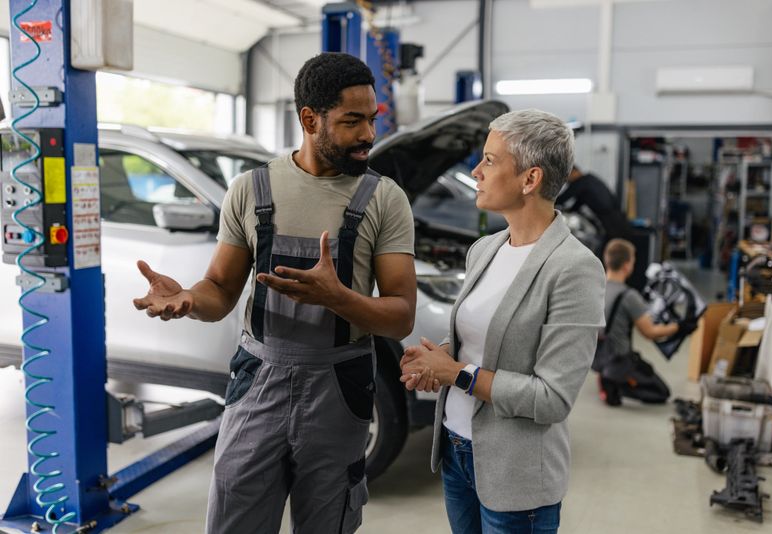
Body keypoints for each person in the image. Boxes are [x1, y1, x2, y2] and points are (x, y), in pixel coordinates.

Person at [132, 52, 417, 534]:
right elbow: (220, 290)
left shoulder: (384, 198)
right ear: (310, 119)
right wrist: (188, 300)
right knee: (234, 515)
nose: (369, 135)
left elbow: (401, 316)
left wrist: (337, 297)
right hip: (257, 380)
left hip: (340, 387)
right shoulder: (251, 190)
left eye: (371, 120)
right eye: (352, 122)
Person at [399, 109, 605, 533]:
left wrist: (457, 373)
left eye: (489, 161)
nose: (475, 171)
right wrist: (436, 361)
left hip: (516, 474)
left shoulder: (574, 268)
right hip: (458, 451)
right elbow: (480, 342)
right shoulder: (484, 249)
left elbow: (553, 398)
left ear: (530, 179)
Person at [597, 239, 695, 406]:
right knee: (661, 392)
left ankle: (607, 374)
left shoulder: (597, 287)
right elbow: (650, 333)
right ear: (627, 265)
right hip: (619, 359)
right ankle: (615, 383)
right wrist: (679, 326)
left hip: (597, 355)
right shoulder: (628, 295)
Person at [556, 165, 631, 245]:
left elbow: (563, 198)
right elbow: (578, 203)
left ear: (574, 172)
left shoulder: (581, 182)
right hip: (616, 217)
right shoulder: (589, 180)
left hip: (611, 219)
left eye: (567, 177)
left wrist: (548, 202)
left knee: (615, 244)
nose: (567, 181)